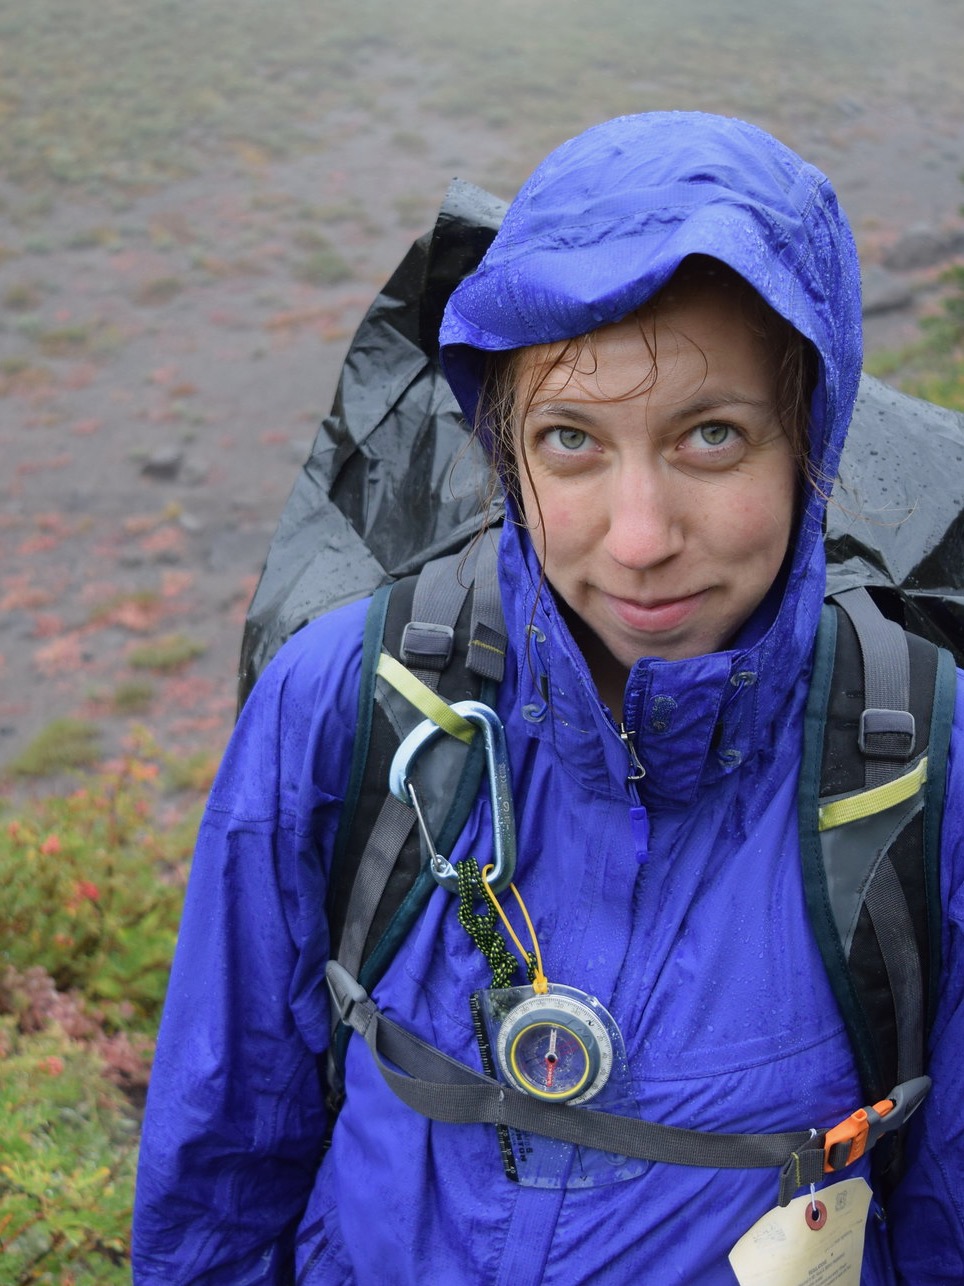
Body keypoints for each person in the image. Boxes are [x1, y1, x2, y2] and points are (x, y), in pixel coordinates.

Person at [132, 111, 964, 1283]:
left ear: (809, 443)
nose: (636, 539)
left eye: (711, 435)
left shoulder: (926, 759)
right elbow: (220, 1165)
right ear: (505, 450)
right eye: (571, 438)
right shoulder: (347, 701)